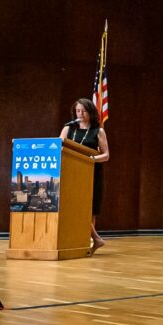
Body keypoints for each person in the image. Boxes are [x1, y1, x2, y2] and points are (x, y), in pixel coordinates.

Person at [60, 97, 110, 254]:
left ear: (91, 112)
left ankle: (88, 244)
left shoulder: (98, 131)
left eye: (83, 111)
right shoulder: (68, 129)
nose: (80, 113)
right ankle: (92, 240)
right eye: (77, 111)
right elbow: (58, 147)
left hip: (90, 173)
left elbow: (106, 155)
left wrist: (90, 159)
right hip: (70, 174)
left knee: (88, 209)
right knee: (72, 205)